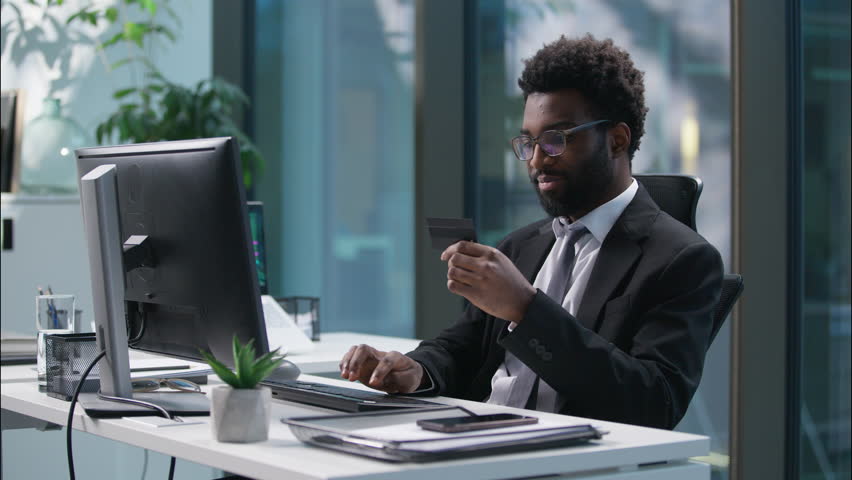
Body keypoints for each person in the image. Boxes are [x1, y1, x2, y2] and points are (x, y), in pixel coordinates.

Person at [338, 34, 723, 430]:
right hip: (477, 440)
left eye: (556, 140)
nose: (537, 160)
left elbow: (654, 403)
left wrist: (526, 308)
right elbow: (461, 348)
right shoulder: (522, 246)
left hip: (570, 460)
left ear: (617, 139)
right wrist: (415, 370)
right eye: (528, 141)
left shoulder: (683, 260)